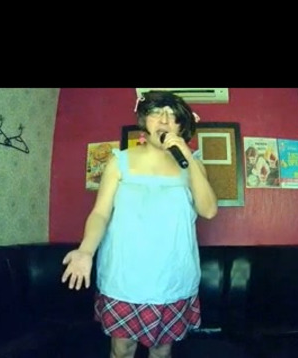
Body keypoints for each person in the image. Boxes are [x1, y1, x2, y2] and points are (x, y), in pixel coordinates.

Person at [61, 91, 219, 358]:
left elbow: (209, 210)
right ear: (144, 121)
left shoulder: (193, 165)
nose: (164, 120)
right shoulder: (119, 161)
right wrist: (86, 250)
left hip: (172, 279)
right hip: (124, 278)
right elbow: (100, 213)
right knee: (122, 349)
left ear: (181, 126)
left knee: (161, 351)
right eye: (157, 113)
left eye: (173, 116)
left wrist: (188, 157)